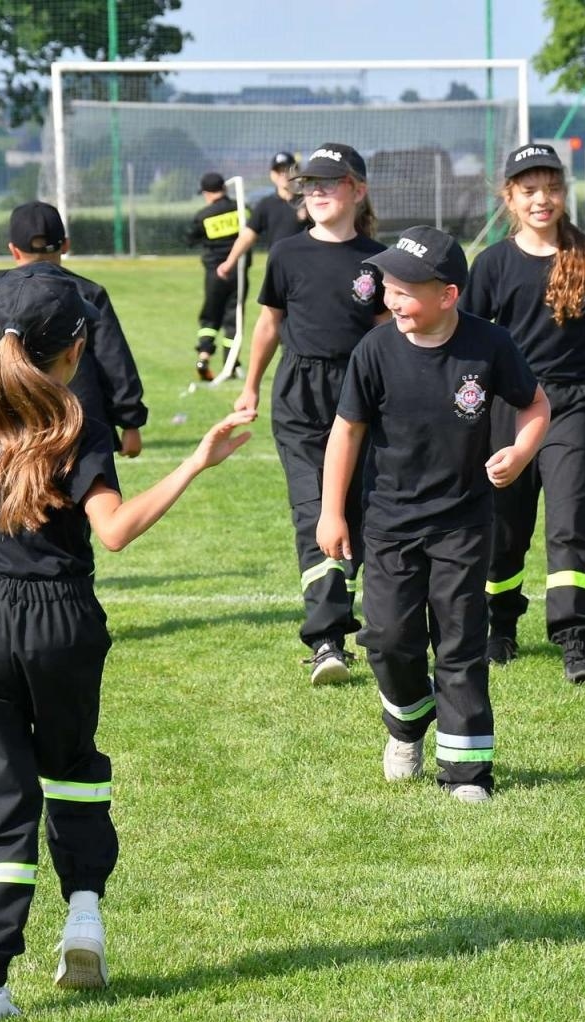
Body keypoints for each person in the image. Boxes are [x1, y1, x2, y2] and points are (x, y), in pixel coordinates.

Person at [0, 269, 252, 1022]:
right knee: (71, 769)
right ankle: (85, 917)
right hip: (64, 620)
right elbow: (117, 530)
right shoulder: (77, 424)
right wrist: (196, 462)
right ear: (75, 349)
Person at [319, 226, 548, 803]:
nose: (391, 299)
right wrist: (330, 513)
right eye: (388, 286)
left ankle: (467, 771)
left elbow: (536, 404)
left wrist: (520, 452)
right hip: (390, 523)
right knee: (389, 642)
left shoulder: (488, 346)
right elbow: (346, 433)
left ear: (447, 295)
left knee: (460, 642)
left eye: (406, 289)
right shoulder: (374, 351)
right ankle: (406, 725)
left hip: (464, 523)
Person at [462, 142, 585, 685]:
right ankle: (500, 625)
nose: (541, 200)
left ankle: (575, 642)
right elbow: (470, 342)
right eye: (529, 192)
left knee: (570, 526)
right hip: (509, 409)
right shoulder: (493, 263)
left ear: (564, 194)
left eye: (551, 189)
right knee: (506, 528)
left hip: (572, 406)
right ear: (510, 198)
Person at [234, 143, 388, 684]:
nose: (317, 191)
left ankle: (371, 622)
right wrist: (250, 387)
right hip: (300, 396)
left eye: (329, 182)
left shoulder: (378, 259)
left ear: (357, 190)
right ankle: (326, 640)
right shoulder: (287, 254)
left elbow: (384, 333)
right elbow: (269, 324)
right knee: (313, 514)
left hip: (360, 394)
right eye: (310, 184)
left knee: (358, 512)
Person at [0, 201, 147, 457]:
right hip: (80, 425)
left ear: (13, 249)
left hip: (9, 427)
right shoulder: (87, 293)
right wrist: (130, 422)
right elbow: (114, 359)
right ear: (65, 244)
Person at [187, 171, 247, 382]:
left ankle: (204, 356)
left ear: (206, 192)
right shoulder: (241, 210)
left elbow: (190, 239)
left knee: (210, 317)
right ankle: (231, 363)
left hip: (214, 273)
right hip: (238, 273)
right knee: (234, 319)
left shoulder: (204, 215)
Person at [215, 151, 309, 283]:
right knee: (270, 304)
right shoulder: (266, 204)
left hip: (307, 267)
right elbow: (248, 236)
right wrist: (229, 262)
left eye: (287, 169)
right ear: (272, 174)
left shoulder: (309, 201)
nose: (283, 174)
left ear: (296, 171)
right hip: (277, 268)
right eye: (278, 171)